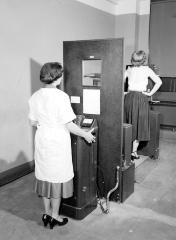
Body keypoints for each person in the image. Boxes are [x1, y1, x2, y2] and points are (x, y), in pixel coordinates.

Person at [28, 62, 95, 229]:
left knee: (45, 177)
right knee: (56, 179)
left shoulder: (35, 96)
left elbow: (33, 122)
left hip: (42, 139)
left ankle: (47, 213)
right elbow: (69, 125)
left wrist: (46, 123)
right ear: (57, 78)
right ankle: (55, 216)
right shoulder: (61, 97)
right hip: (57, 141)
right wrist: (86, 134)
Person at [124, 50, 162, 160]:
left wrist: (126, 93)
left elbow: (121, 84)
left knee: (128, 123)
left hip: (129, 98)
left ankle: (127, 151)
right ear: (144, 59)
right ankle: (133, 151)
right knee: (139, 125)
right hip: (140, 98)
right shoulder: (147, 69)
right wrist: (150, 93)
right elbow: (159, 82)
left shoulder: (129, 69)